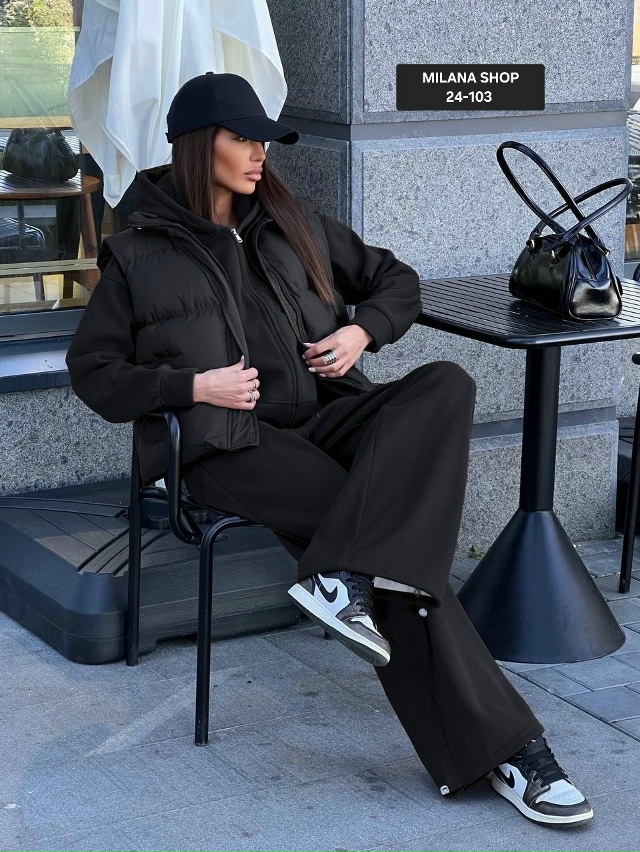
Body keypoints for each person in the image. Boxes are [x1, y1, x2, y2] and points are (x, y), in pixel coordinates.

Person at [66, 72, 593, 827]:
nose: (260, 155)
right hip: (228, 446)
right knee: (396, 568)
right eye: (243, 139)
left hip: (326, 418)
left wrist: (359, 331)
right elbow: (94, 373)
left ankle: (343, 578)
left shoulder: (291, 222)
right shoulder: (139, 253)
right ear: (198, 146)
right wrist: (192, 386)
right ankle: (517, 753)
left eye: (264, 141)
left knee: (444, 385)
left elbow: (396, 281)